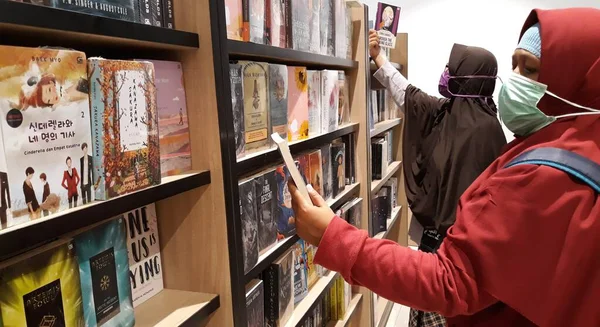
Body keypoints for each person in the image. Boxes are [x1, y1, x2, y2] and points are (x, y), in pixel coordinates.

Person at [290, 8, 600, 326]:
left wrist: (334, 237)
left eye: (530, 68)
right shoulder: (560, 142)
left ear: (572, 77)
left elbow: (452, 280)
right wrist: (379, 58)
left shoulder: (539, 170)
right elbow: (409, 95)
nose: (515, 80)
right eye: (514, 65)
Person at [370, 25, 506, 326]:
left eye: (452, 68)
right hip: (431, 251)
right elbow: (408, 94)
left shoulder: (485, 132)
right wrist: (378, 58)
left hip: (457, 262)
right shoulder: (447, 111)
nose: (446, 72)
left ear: (467, 77)